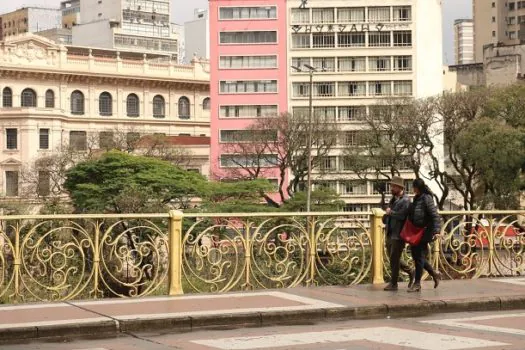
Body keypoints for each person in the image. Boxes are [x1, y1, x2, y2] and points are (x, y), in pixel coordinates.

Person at [407, 178, 442, 292]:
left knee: (419, 258)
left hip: (424, 232)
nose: (413, 189)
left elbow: (435, 215)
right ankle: (434, 274)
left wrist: (437, 231)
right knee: (417, 257)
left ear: (418, 187)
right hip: (415, 232)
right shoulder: (417, 199)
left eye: (414, 187)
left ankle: (417, 284)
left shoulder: (427, 199)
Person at [383, 176, 414, 291]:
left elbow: (402, 215)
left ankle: (394, 283)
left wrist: (390, 212)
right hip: (391, 232)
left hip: (399, 234)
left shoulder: (405, 200)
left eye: (393, 186)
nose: (391, 188)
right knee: (393, 258)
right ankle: (411, 271)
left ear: (399, 187)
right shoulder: (394, 199)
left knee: (394, 258)